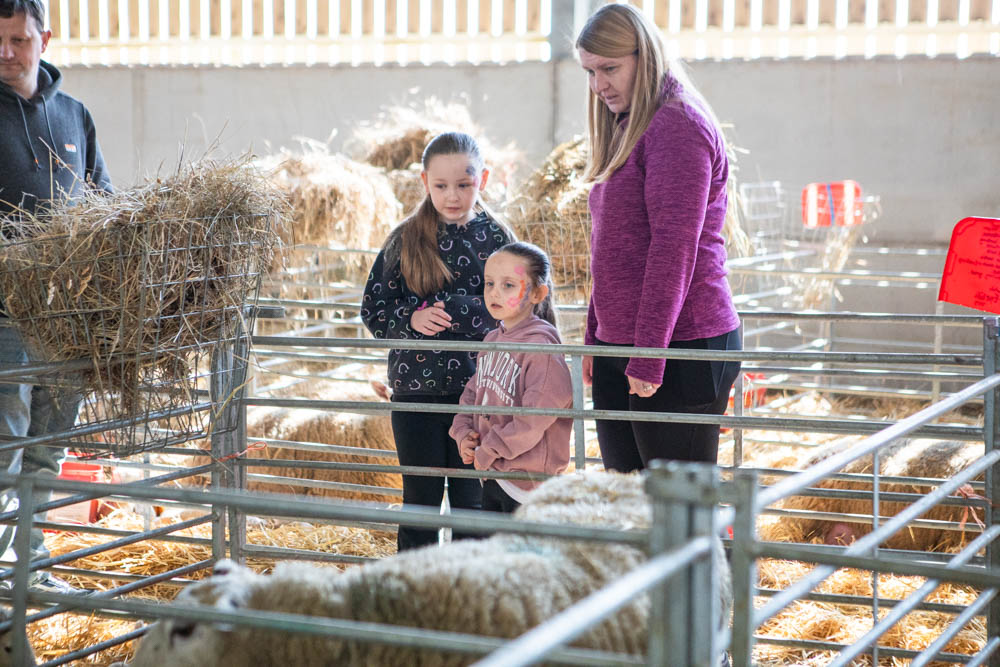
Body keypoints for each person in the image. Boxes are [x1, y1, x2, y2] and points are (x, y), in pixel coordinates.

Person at [576, 3, 742, 473]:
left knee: (679, 517)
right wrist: (598, 336)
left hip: (680, 345)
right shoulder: (628, 124)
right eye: (590, 72)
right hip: (627, 344)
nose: (599, 84)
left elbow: (674, 250)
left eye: (610, 68)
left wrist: (648, 358)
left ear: (644, 56)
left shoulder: (676, 125)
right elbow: (611, 246)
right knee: (631, 506)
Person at [0, 0, 111, 594]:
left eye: (18, 39)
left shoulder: (74, 116)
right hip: (3, 318)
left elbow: (103, 198)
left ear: (45, 37)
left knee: (47, 446)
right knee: (5, 445)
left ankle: (30, 566)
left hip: (67, 316)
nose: (5, 53)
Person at [361, 132, 514, 550]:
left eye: (464, 185)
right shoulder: (405, 238)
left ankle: (465, 598)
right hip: (416, 396)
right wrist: (411, 318)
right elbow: (373, 310)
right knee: (420, 503)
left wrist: (453, 311)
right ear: (425, 181)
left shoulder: (498, 238)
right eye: (442, 185)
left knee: (473, 502)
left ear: (483, 178)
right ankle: (414, 595)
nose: (452, 195)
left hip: (482, 394)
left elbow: (521, 308)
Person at [449, 242, 572, 514]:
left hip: (529, 484)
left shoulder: (541, 349)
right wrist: (463, 433)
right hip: (495, 474)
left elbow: (535, 416)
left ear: (537, 293)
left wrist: (491, 448)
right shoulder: (492, 341)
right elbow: (472, 393)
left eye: (508, 285)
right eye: (489, 283)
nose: (494, 292)